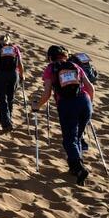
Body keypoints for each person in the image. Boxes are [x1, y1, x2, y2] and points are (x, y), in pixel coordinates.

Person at [33, 45, 95, 185]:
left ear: (50, 57)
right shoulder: (74, 65)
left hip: (67, 105)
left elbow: (47, 93)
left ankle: (79, 168)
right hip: (84, 102)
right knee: (77, 136)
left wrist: (37, 105)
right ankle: (74, 167)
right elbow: (90, 87)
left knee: (69, 139)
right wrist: (90, 104)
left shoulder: (50, 69)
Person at [0, 34, 25, 132]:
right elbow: (20, 64)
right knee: (10, 98)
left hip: (0, 75)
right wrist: (22, 75)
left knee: (2, 99)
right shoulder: (15, 48)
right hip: (13, 75)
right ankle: (8, 122)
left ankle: (6, 123)